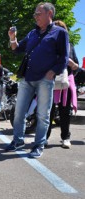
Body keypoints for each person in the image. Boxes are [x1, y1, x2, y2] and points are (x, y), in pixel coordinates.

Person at [6, 2, 69, 158]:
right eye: (35, 14)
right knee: (19, 113)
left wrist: (52, 72)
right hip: (27, 78)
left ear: (49, 14)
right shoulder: (32, 33)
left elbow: (64, 57)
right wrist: (12, 38)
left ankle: (38, 144)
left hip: (44, 80)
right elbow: (17, 49)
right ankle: (18, 141)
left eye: (38, 13)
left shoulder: (60, 33)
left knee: (42, 115)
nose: (35, 16)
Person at [46, 20, 79, 149]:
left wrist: (69, 62)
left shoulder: (70, 46)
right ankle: (44, 137)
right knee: (48, 112)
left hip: (65, 83)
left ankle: (65, 137)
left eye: (60, 29)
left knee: (65, 112)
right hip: (51, 82)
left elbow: (76, 67)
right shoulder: (48, 45)